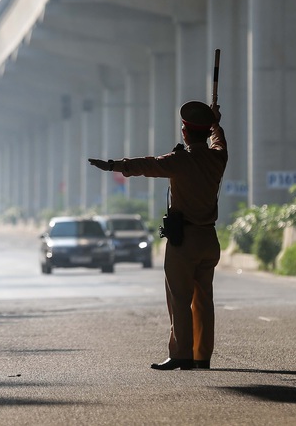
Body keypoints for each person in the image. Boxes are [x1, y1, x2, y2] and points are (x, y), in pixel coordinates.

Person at [89, 101, 228, 371]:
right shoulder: (218, 158)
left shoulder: (180, 161)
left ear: (185, 133)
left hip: (184, 240)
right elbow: (219, 141)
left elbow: (147, 165)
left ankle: (181, 354)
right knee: (203, 299)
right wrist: (216, 123)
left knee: (179, 298)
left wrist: (112, 165)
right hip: (209, 239)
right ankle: (202, 356)